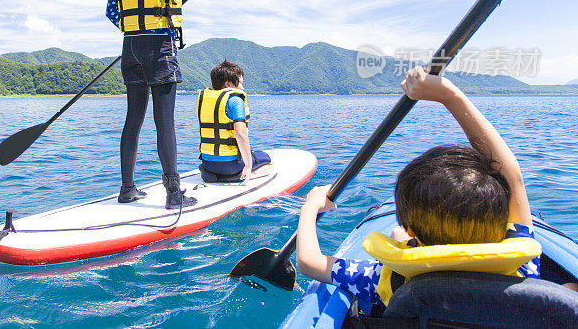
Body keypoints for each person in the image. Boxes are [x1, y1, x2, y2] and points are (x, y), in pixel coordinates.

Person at [296, 66, 542, 311]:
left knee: (395, 236)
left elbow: (309, 262)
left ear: (412, 230)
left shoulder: (387, 280)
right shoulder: (524, 272)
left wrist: (310, 206)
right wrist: (450, 96)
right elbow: (512, 178)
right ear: (499, 221)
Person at [106, 0, 233, 209]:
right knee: (165, 122)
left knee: (133, 120)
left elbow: (113, 12)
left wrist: (137, 29)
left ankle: (127, 189)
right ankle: (174, 194)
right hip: (158, 47)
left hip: (130, 47)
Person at [197, 61, 271, 183]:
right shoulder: (235, 100)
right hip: (230, 166)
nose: (242, 87)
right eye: (240, 83)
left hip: (207, 164)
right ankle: (235, 176)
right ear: (228, 83)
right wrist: (248, 165)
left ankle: (215, 175)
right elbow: (240, 133)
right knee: (266, 160)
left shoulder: (205, 100)